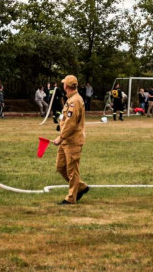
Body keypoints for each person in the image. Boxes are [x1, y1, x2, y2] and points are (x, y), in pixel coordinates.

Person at [53, 74, 88, 206]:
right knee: (60, 166)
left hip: (72, 140)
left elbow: (71, 123)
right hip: (66, 140)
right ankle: (81, 187)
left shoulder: (75, 101)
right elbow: (66, 119)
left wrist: (60, 137)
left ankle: (71, 198)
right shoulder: (71, 99)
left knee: (72, 170)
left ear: (66, 86)